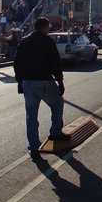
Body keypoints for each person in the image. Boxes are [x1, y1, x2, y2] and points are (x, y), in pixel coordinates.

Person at [13, 17, 69, 160]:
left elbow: (17, 63)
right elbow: (55, 62)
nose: (49, 29)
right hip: (43, 81)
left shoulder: (24, 41)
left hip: (27, 82)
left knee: (31, 116)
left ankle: (34, 147)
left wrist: (20, 82)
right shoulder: (47, 41)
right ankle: (55, 132)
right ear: (44, 27)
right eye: (48, 27)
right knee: (57, 103)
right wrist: (60, 82)